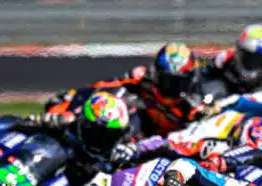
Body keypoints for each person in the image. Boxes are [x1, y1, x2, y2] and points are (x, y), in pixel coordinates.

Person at [0, 92, 176, 186]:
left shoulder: (112, 158)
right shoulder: (64, 123)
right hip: (24, 171)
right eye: (95, 132)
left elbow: (155, 148)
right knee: (15, 137)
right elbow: (21, 121)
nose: (99, 140)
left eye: (108, 137)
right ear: (83, 123)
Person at [46, 42, 203, 136]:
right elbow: (104, 86)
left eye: (179, 81)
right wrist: (72, 99)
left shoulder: (194, 104)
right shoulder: (141, 78)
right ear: (157, 73)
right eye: (169, 80)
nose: (173, 86)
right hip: (128, 138)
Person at [199, 24, 262, 94]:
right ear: (238, 52)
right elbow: (200, 71)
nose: (252, 63)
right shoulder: (224, 59)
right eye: (248, 57)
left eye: (259, 60)